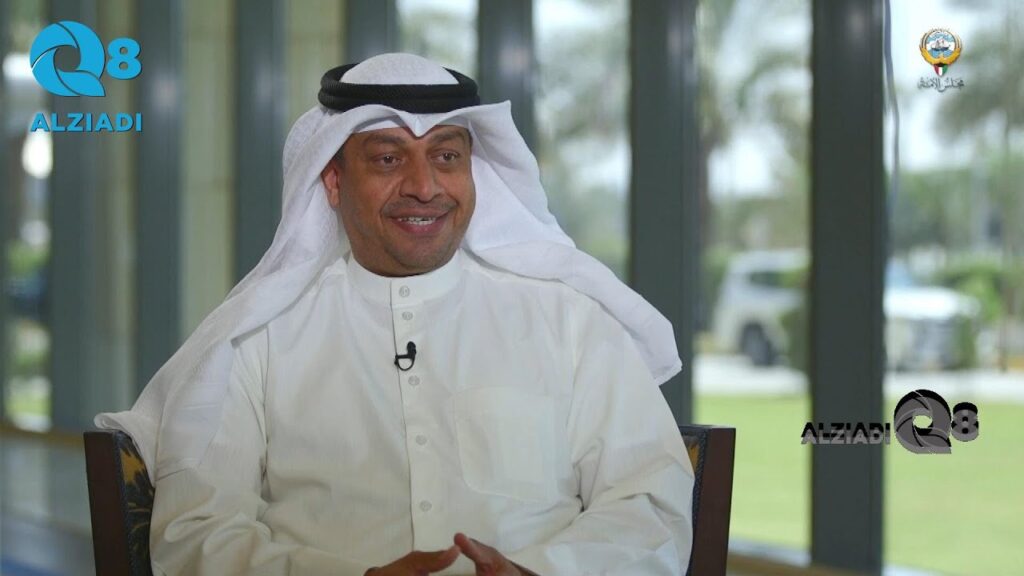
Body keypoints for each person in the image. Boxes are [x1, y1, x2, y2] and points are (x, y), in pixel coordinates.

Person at [96, 53, 694, 576]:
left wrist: (538, 572)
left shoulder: (569, 321)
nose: (424, 186)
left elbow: (650, 504)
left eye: (447, 156)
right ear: (333, 181)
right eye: (387, 159)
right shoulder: (259, 337)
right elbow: (197, 532)